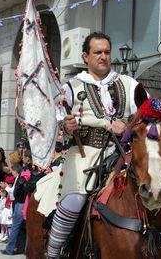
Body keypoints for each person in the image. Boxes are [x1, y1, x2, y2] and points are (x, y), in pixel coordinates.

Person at [45, 32, 140, 258]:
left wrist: (126, 123)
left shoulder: (129, 83)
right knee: (75, 200)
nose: (103, 57)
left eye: (107, 52)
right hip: (84, 153)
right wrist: (65, 126)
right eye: (98, 52)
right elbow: (55, 123)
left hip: (124, 154)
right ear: (86, 56)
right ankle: (53, 252)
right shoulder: (71, 86)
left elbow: (143, 115)